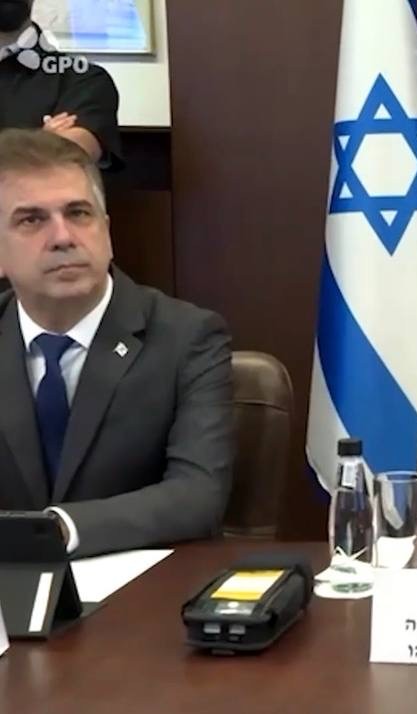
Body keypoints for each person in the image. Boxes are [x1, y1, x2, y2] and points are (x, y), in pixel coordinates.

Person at [0, 129, 232, 558]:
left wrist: (59, 529)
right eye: (32, 220)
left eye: (78, 213)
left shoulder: (187, 337)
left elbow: (198, 495)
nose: (63, 237)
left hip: (143, 588)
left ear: (106, 230)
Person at [0, 0, 124, 168]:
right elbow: (48, 157)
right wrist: (38, 146)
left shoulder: (82, 80)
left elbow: (67, 159)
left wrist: (48, 154)